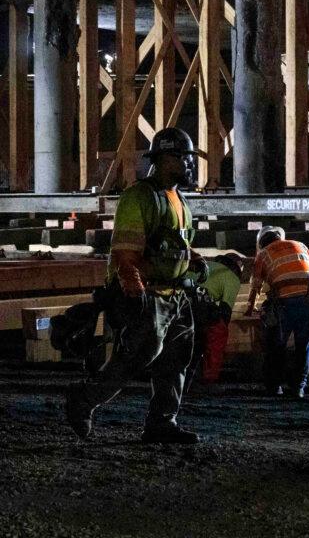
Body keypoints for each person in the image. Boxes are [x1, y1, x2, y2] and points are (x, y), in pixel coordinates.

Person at [65, 127, 206, 443]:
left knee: (176, 361)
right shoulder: (140, 197)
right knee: (136, 357)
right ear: (163, 158)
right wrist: (133, 289)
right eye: (182, 157)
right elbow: (125, 252)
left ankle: (162, 423)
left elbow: (174, 243)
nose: (188, 163)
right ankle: (84, 399)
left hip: (177, 295)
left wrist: (194, 260)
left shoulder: (179, 199)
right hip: (150, 294)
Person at [244, 226, 309, 398]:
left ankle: (274, 387)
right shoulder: (301, 245)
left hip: (285, 303)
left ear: (262, 243)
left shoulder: (262, 254)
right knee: (304, 347)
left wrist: (250, 309)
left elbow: (256, 287)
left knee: (276, 346)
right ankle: (299, 388)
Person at [186, 252, 244, 389]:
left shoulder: (205, 265)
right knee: (218, 334)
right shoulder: (232, 277)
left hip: (181, 304)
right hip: (200, 307)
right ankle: (208, 379)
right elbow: (226, 308)